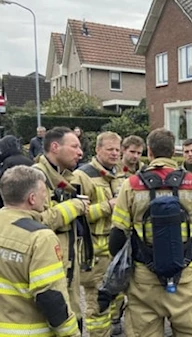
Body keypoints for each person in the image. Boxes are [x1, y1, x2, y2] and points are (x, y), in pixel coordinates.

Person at [108, 128, 192, 337]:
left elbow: (117, 237)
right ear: (173, 151)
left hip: (144, 283)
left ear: (149, 151)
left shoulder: (131, 185)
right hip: (186, 279)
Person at [0, 165, 81, 337]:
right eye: (44, 192)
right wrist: (71, 333)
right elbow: (50, 297)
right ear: (32, 198)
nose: (46, 197)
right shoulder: (40, 237)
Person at [34, 126, 90, 329]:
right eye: (74, 146)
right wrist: (74, 205)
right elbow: (36, 221)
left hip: (68, 268)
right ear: (55, 147)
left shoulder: (65, 177)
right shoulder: (37, 178)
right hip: (51, 270)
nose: (80, 152)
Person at [72, 132, 124, 337]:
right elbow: (78, 215)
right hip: (94, 252)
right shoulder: (82, 175)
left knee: (115, 298)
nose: (114, 153)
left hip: (116, 249)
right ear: (97, 149)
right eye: (109, 149)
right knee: (96, 303)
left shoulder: (119, 173)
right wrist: (108, 206)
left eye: (117, 150)